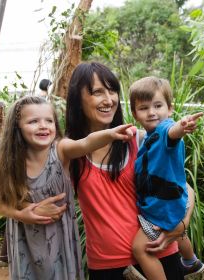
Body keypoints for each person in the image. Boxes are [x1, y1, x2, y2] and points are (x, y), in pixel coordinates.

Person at [0, 95, 134, 279]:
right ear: (17, 126)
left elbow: (85, 143)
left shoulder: (60, 149)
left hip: (59, 241)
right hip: (25, 242)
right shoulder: (11, 161)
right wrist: (21, 214)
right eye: (33, 121)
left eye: (49, 121)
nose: (43, 125)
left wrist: (110, 134)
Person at [65, 61, 194, 280]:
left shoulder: (140, 139)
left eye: (112, 90)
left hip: (158, 253)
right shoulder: (70, 152)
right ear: (78, 99)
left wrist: (181, 225)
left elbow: (185, 188)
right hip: (108, 265)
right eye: (98, 92)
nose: (109, 100)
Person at [129, 76, 204, 279]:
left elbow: (172, 133)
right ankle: (190, 262)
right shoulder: (147, 138)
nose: (152, 112)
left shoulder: (164, 130)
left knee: (141, 249)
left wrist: (183, 126)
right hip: (173, 199)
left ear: (170, 109)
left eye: (158, 105)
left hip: (164, 207)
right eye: (144, 108)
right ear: (135, 114)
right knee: (178, 234)